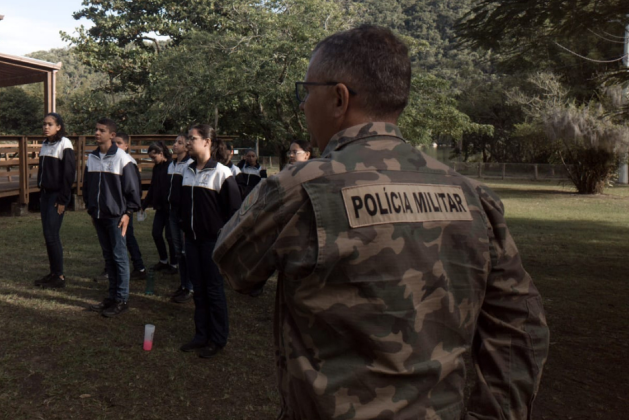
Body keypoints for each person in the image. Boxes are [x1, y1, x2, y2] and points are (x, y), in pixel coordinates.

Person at [214, 25, 550, 419]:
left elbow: (235, 266)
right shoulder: (474, 196)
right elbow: (522, 324)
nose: (303, 105)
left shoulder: (297, 190)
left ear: (339, 98)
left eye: (307, 91)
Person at [179, 124, 241, 358]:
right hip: (192, 241)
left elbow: (235, 212)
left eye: (192, 138)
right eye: (187, 138)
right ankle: (201, 335)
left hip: (212, 243)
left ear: (207, 142)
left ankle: (217, 339)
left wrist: (224, 239)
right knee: (199, 290)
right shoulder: (187, 169)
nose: (187, 141)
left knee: (214, 291)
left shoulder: (222, 173)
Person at [83, 119, 141, 318]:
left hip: (116, 217)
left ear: (112, 135)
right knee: (109, 258)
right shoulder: (91, 158)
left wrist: (128, 213)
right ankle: (111, 296)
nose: (97, 133)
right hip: (98, 215)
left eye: (102, 130)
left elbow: (133, 190)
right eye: (96, 129)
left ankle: (122, 299)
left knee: (119, 257)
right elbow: (86, 186)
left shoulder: (123, 159)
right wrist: (92, 210)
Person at [34, 113, 75, 289]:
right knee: (48, 235)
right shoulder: (45, 144)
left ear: (58, 127)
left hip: (56, 196)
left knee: (52, 235)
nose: (46, 127)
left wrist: (63, 199)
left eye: (50, 124)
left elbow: (68, 174)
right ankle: (53, 273)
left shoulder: (64, 143)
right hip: (45, 195)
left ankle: (59, 276)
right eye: (44, 124)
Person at [112, 132, 147, 280]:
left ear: (126, 146)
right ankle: (136, 267)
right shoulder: (113, 159)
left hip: (125, 208)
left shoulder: (128, 161)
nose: (116, 146)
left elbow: (134, 187)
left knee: (126, 236)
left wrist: (130, 208)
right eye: (114, 143)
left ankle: (138, 267)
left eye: (119, 143)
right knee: (119, 238)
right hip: (114, 206)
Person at [141, 141, 178, 274]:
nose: (152, 160)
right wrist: (144, 205)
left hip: (170, 208)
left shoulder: (172, 166)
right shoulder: (156, 168)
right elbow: (152, 188)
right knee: (156, 233)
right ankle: (163, 260)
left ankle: (174, 264)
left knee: (170, 236)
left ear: (161, 153)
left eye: (153, 157)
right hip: (160, 208)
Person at [166, 135, 195, 303]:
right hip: (172, 211)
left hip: (183, 214)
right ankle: (183, 284)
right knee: (178, 251)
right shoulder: (172, 164)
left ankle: (190, 286)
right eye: (175, 142)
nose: (175, 145)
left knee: (185, 251)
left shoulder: (190, 165)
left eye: (179, 143)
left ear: (186, 147)